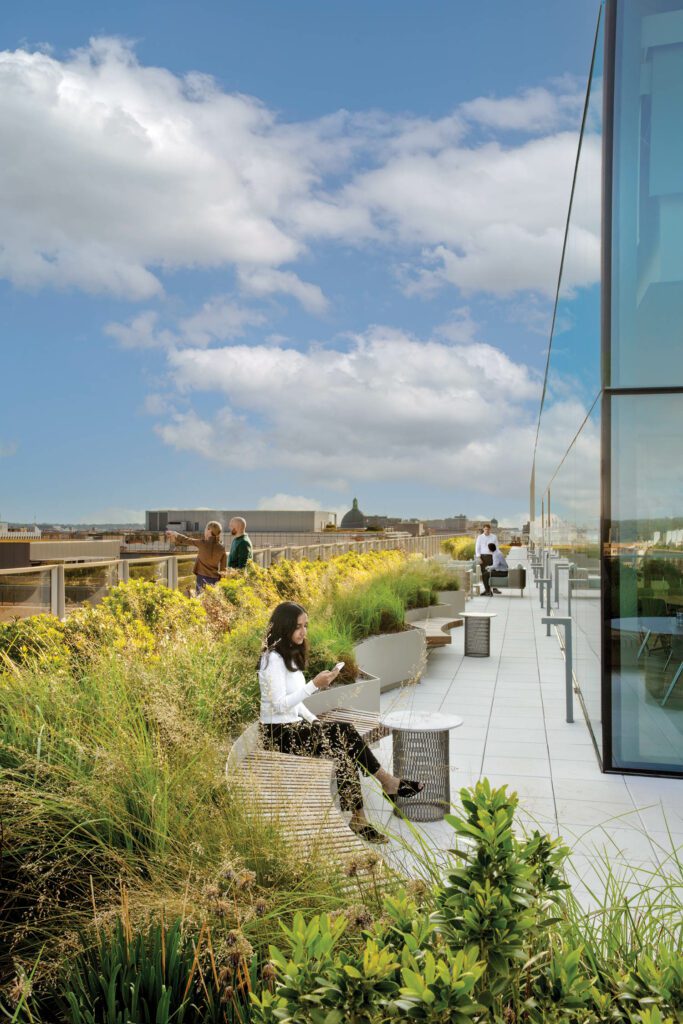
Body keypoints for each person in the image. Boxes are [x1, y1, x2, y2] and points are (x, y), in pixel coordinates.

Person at [258, 601, 424, 844]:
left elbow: (294, 703)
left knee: (342, 749)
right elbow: (279, 705)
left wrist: (313, 720)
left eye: (306, 626)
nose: (303, 632)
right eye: (298, 627)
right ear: (284, 628)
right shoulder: (271, 659)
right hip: (278, 735)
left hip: (295, 729)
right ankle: (388, 782)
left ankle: (360, 818)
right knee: (343, 731)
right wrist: (314, 685)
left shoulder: (288, 655)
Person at [166, 521, 226, 594]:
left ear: (209, 530)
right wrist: (221, 581)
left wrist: (175, 534)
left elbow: (187, 540)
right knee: (211, 599)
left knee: (200, 598)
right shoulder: (222, 548)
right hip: (215, 578)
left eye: (205, 529)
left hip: (202, 577)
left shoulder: (202, 543)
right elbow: (223, 568)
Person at [475, 524, 499, 593]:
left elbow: (497, 547)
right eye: (485, 529)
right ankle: (487, 590)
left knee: (493, 572)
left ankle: (495, 588)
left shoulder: (494, 537)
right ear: (483, 529)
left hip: (492, 557)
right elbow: (477, 548)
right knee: (484, 573)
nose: (487, 531)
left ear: (490, 529)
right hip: (483, 557)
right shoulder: (480, 537)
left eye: (488, 529)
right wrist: (479, 557)